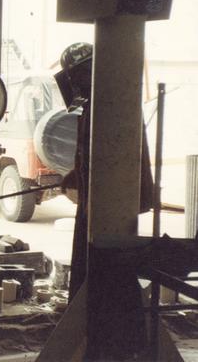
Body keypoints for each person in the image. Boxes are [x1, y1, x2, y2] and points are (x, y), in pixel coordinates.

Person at [55, 43, 154, 303]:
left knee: (102, 265)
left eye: (76, 74)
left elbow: (110, 158)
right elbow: (92, 154)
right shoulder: (97, 104)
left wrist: (89, 198)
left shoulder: (108, 104)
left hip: (105, 205)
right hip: (95, 200)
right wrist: (75, 174)